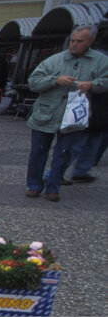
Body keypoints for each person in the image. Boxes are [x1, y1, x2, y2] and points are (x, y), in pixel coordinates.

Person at [25, 26, 108, 202]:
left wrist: (92, 84)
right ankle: (34, 185)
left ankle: (53, 186)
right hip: (47, 113)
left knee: (64, 153)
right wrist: (55, 80)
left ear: (90, 41)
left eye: (79, 41)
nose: (74, 44)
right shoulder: (54, 60)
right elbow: (33, 82)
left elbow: (105, 81)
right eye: (72, 40)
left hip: (74, 116)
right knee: (38, 152)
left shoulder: (100, 61)